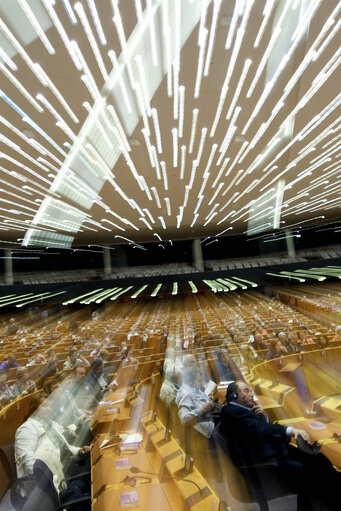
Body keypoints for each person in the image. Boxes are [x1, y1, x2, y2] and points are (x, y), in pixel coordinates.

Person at [218, 382, 340, 510]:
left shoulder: (236, 410)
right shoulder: (233, 413)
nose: (251, 394)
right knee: (316, 468)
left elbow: (256, 431)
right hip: (264, 467)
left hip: (266, 455)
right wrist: (290, 431)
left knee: (319, 461)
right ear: (235, 395)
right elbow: (259, 429)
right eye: (246, 391)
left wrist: (262, 416)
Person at [15, 393, 90, 491]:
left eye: (50, 406)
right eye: (44, 406)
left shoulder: (51, 424)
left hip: (68, 465)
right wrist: (56, 477)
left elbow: (66, 447)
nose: (49, 409)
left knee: (92, 461)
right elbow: (31, 467)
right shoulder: (26, 429)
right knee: (92, 476)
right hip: (55, 479)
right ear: (34, 408)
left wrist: (79, 451)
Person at [175, 366, 216, 439]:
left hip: (212, 421)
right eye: (199, 380)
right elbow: (183, 418)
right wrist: (201, 410)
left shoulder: (195, 389)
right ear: (191, 381)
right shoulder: (186, 394)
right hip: (206, 432)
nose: (201, 383)